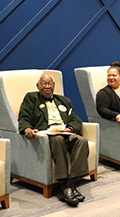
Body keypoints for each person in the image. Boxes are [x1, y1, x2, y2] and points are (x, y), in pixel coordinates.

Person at [18, 74, 89, 207]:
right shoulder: (31, 98)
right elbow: (24, 117)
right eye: (44, 84)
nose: (47, 87)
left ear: (54, 86)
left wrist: (70, 128)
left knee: (82, 141)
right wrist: (27, 128)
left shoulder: (63, 100)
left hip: (64, 132)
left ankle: (69, 185)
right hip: (47, 135)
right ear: (38, 86)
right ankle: (68, 186)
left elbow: (75, 119)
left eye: (50, 84)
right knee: (58, 141)